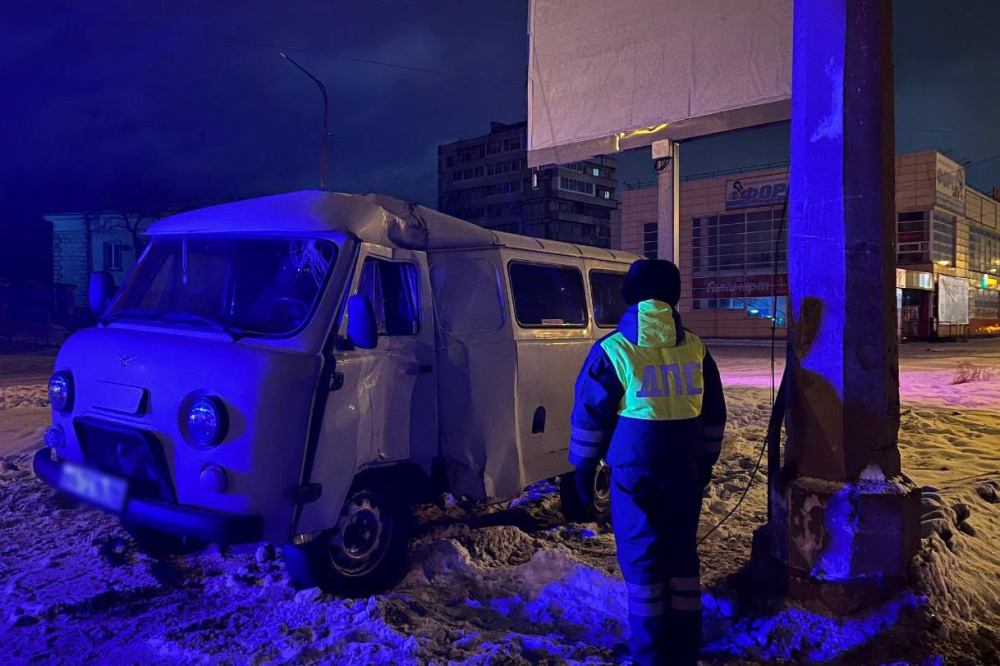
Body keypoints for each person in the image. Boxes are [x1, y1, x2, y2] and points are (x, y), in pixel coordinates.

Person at [569, 259, 727, 666]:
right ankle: (684, 649)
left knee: (643, 568)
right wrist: (705, 464)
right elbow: (713, 416)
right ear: (673, 297)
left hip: (634, 477)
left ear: (629, 296)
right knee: (682, 561)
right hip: (685, 472)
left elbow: (590, 422)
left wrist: (583, 477)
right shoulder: (695, 346)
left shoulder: (613, 349)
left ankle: (650, 656)